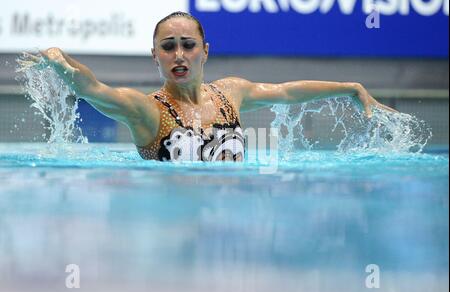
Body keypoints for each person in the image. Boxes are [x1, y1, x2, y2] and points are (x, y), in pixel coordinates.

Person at [30, 11, 397, 162]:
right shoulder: (147, 110)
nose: (179, 54)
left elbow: (286, 91)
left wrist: (350, 87)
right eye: (168, 46)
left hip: (232, 213)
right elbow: (93, 88)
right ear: (154, 55)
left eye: (188, 45)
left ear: (204, 52)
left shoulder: (230, 92)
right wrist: (61, 62)